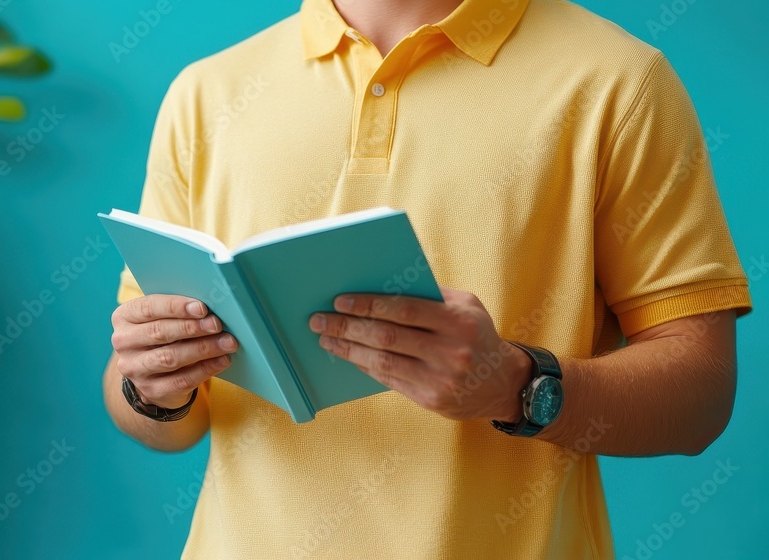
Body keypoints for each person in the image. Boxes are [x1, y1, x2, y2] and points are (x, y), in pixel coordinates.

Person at [102, 0, 753, 557]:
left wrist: (516, 386)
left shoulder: (620, 83)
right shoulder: (207, 94)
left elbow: (701, 397)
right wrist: (151, 386)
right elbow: (157, 417)